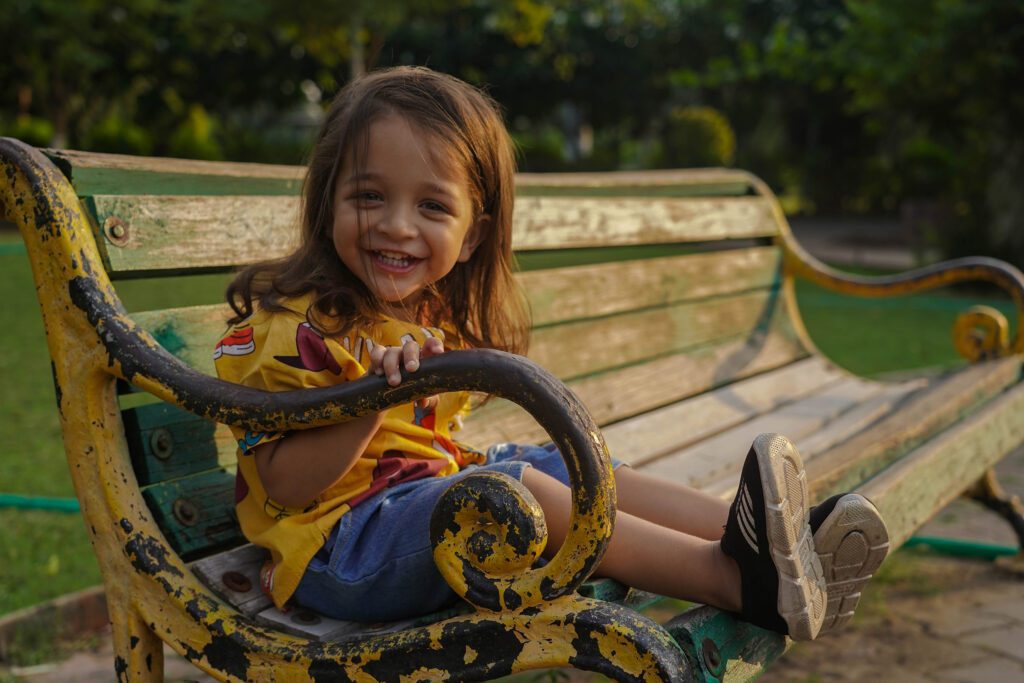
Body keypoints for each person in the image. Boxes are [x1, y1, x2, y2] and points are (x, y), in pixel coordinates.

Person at [214, 66, 888, 642]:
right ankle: (733, 580)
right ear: (328, 195)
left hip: (416, 512)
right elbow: (287, 485)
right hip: (343, 553)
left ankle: (772, 541)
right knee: (511, 486)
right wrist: (364, 401)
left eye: (430, 207)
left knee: (559, 461)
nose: (396, 224)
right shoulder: (295, 329)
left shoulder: (419, 314)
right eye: (369, 197)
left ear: (471, 236)